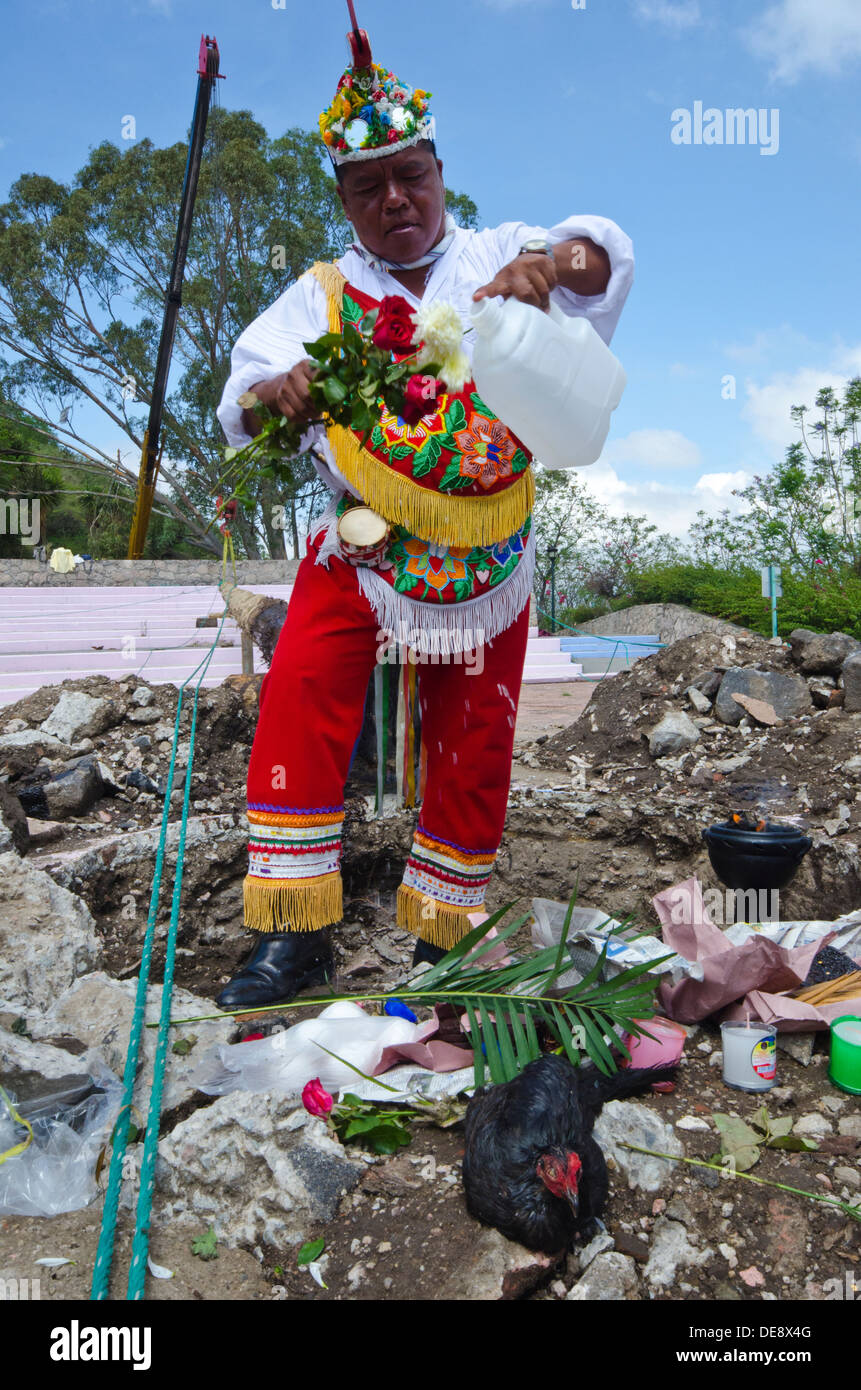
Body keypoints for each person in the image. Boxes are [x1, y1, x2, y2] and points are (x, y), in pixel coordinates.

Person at [215, 50, 634, 1011]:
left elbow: (600, 256)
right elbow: (243, 398)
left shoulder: (498, 253)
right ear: (346, 200)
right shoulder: (317, 294)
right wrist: (280, 393)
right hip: (357, 553)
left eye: (411, 177)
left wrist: (548, 265)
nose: (395, 200)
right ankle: (295, 934)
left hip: (487, 560)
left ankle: (442, 941)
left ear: (440, 176)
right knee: (299, 706)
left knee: (472, 741)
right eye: (369, 187)